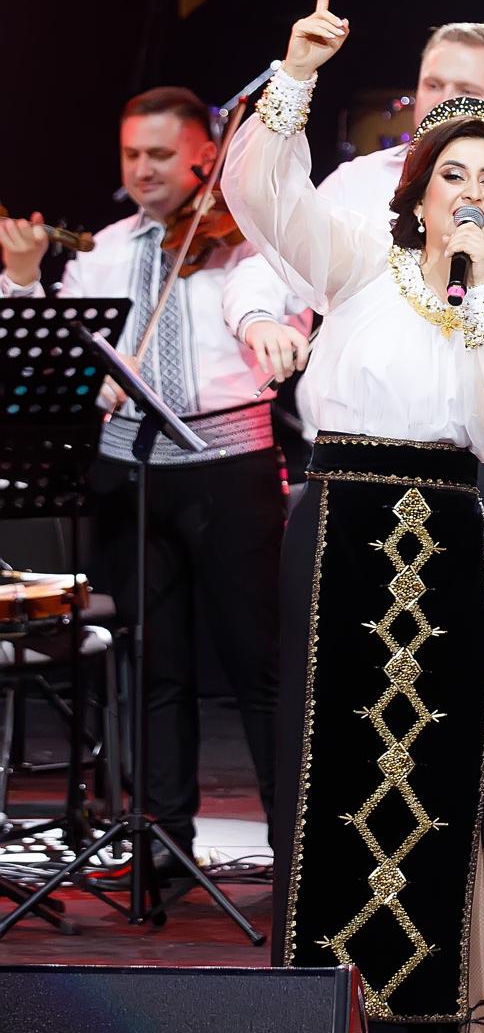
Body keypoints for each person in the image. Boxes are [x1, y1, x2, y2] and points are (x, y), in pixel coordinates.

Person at [222, 0, 484, 1033]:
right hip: (341, 519)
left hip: (446, 524)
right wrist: (296, 75)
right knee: (331, 768)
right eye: (452, 174)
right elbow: (260, 197)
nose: (469, 192)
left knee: (447, 776)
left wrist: (483, 288)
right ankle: (326, 1026)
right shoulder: (359, 252)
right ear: (418, 183)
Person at [0, 86, 310, 881]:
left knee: (259, 665)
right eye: (132, 154)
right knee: (155, 667)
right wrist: (24, 278)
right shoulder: (103, 250)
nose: (143, 169)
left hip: (229, 465)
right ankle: (163, 841)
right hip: (128, 474)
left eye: (161, 155)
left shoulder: (243, 240)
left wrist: (271, 329)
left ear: (205, 156)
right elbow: (49, 354)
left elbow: (280, 305)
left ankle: (295, 848)